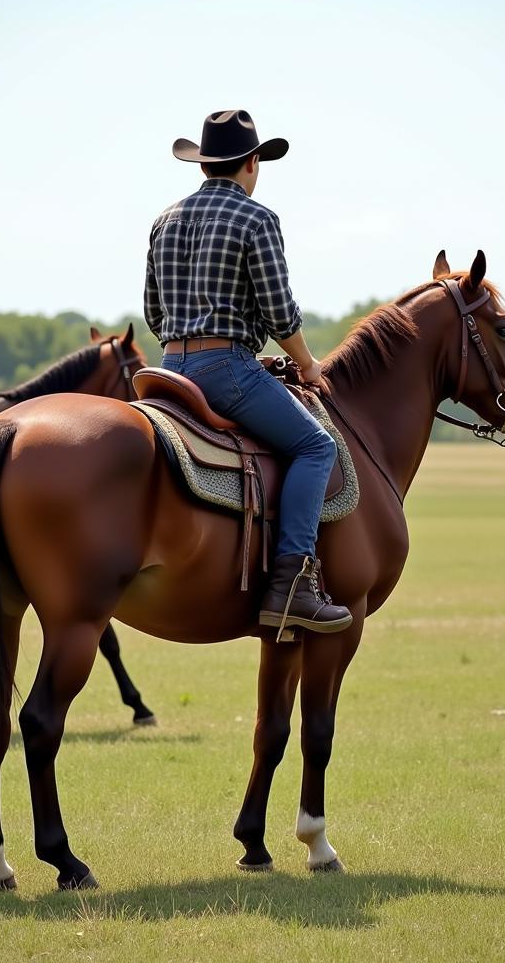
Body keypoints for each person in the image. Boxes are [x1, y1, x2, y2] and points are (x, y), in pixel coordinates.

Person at [144, 109, 352, 634]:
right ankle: (292, 585)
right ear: (252, 163)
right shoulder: (257, 219)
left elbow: (153, 312)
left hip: (170, 367)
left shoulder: (164, 220)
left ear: (204, 165)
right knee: (316, 447)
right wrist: (307, 364)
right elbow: (280, 312)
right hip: (227, 370)